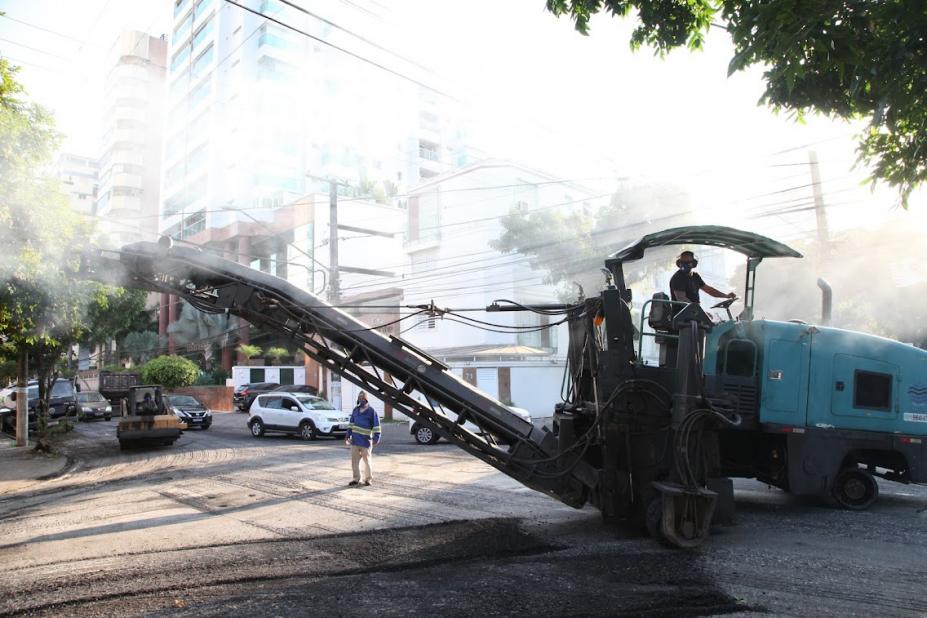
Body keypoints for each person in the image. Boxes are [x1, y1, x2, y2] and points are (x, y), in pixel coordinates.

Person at [669, 251, 736, 305]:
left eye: (687, 262)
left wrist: (726, 296)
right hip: (682, 317)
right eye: (682, 262)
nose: (684, 265)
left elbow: (710, 290)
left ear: (693, 263)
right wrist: (698, 311)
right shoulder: (677, 278)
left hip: (693, 313)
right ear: (679, 263)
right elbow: (681, 299)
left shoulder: (695, 276)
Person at [345, 391, 381, 487]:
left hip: (366, 442)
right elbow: (351, 424)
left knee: (367, 461)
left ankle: (368, 479)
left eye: (363, 399)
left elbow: (377, 426)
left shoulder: (372, 412)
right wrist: (348, 435)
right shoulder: (355, 410)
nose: (361, 400)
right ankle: (356, 479)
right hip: (355, 441)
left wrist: (376, 438)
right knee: (354, 462)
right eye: (360, 399)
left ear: (366, 399)